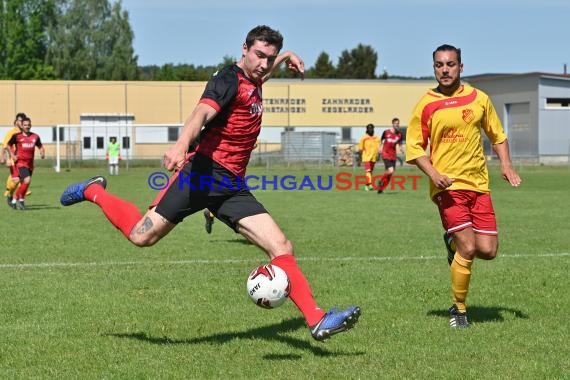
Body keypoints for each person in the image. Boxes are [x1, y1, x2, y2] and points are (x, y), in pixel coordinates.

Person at [60, 25, 360, 341]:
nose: (263, 64)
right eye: (259, 55)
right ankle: (94, 190)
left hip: (231, 185)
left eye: (269, 58)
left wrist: (284, 58)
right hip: (202, 175)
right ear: (244, 48)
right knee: (141, 236)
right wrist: (180, 145)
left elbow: (263, 74)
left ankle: (316, 319)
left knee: (282, 246)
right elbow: (201, 113)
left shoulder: (256, 78)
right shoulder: (227, 80)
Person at [406, 44, 521, 328]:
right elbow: (414, 148)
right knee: (468, 247)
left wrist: (506, 165)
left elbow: (498, 135)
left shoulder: (478, 99)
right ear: (433, 68)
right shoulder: (426, 104)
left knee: (488, 250)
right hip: (448, 187)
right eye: (439, 65)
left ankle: (451, 243)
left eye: (450, 64)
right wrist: (433, 174)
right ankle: (459, 310)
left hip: (479, 185)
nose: (444, 70)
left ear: (461, 67)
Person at [6, 116, 45, 210]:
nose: (27, 127)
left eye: (28, 125)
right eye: (25, 125)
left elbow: (40, 146)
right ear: (22, 126)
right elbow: (8, 145)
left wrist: (42, 151)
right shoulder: (17, 136)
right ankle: (16, 198)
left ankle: (20, 200)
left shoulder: (35, 136)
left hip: (30, 164)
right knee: (26, 180)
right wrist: (12, 155)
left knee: (25, 183)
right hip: (20, 163)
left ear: (31, 125)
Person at [1, 112, 27, 207]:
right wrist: (5, 158)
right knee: (17, 180)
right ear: (16, 122)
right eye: (20, 121)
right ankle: (10, 194)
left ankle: (18, 198)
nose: (22, 123)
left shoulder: (25, 133)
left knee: (23, 180)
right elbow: (5, 145)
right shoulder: (11, 133)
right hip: (13, 160)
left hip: (24, 160)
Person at [377, 117, 403, 194]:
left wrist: (402, 150)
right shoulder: (386, 132)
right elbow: (382, 141)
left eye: (398, 124)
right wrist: (380, 148)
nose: (397, 125)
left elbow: (400, 145)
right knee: (390, 170)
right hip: (385, 154)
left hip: (393, 156)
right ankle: (381, 180)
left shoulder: (399, 135)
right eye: (396, 123)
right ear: (392, 124)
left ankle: (380, 189)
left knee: (389, 174)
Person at [357, 123, 380, 191]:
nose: (370, 129)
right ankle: (368, 184)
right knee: (368, 171)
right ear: (367, 129)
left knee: (370, 172)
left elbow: (378, 148)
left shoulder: (377, 138)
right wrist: (359, 158)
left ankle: (368, 185)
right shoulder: (364, 138)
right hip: (366, 157)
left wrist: (378, 155)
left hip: (373, 157)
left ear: (373, 129)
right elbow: (360, 149)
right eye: (369, 128)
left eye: (371, 128)